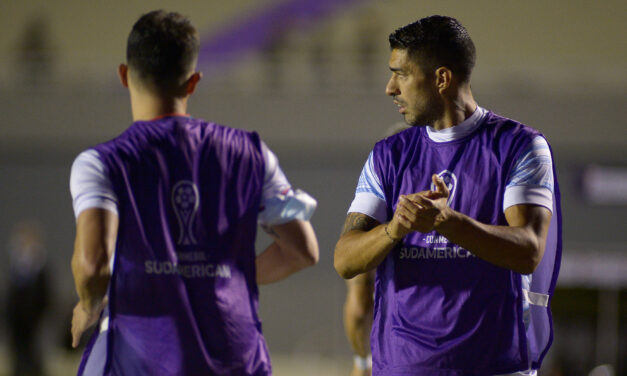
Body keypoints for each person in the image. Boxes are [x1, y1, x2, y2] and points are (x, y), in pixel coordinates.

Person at [69, 10, 319, 375]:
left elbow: (93, 266)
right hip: (238, 363)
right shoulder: (251, 153)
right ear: (193, 82)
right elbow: (302, 251)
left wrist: (89, 304)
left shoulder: (101, 163)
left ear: (124, 75)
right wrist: (221, 274)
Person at [334, 15, 561, 376]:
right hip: (402, 368)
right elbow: (345, 259)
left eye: (401, 74)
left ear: (441, 78)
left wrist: (446, 221)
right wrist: (396, 227)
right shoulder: (387, 156)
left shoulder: (520, 147)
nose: (390, 87)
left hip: (494, 368)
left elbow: (528, 250)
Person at [5, 220, 50, 376]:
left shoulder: (41, 271)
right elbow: (10, 302)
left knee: (34, 363)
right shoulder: (15, 272)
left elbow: (46, 300)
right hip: (17, 332)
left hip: (36, 330)